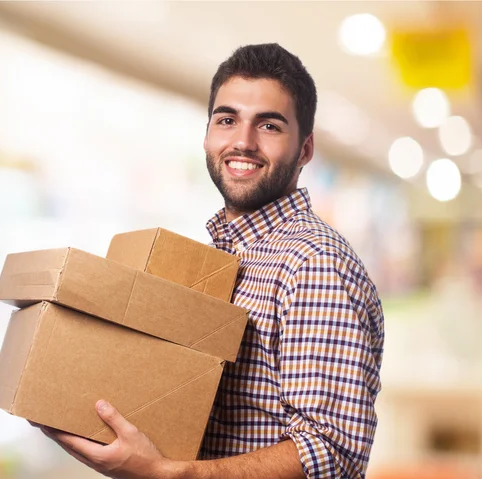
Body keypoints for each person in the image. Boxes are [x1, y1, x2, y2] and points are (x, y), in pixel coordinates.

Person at [35, 43, 384, 479]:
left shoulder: (313, 263)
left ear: (306, 148)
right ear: (207, 134)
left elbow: (330, 452)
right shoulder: (223, 258)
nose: (243, 141)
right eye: (227, 120)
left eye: (270, 126)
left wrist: (168, 473)